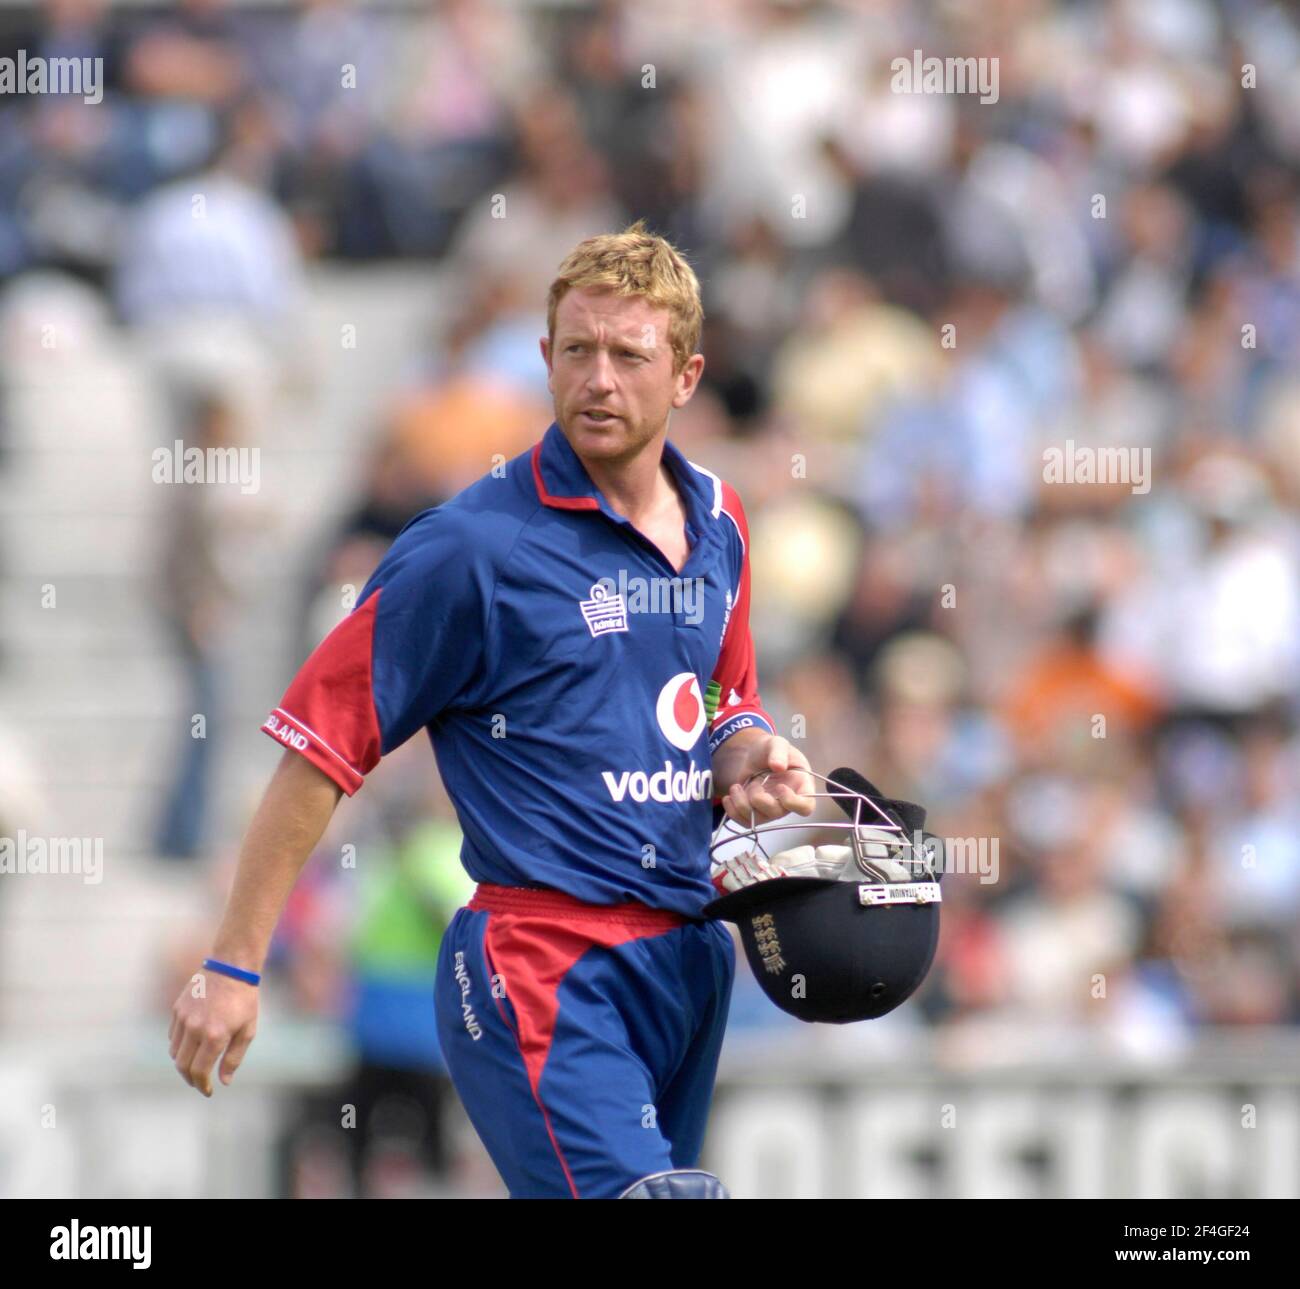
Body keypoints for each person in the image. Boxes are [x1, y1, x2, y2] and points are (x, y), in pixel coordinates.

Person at [169, 220, 814, 1199]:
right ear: (546, 358)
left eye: (628, 356)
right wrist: (236, 963)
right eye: (576, 350)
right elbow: (318, 748)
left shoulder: (720, 520)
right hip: (540, 958)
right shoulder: (472, 547)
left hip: (688, 956)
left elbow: (726, 699)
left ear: (685, 376)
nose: (597, 378)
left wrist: (754, 753)